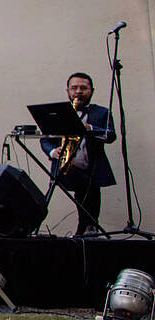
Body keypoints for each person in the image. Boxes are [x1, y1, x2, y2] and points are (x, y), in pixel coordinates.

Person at [41, 71, 116, 235]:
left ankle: (87, 229)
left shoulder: (102, 113)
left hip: (91, 165)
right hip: (65, 166)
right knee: (87, 189)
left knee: (89, 190)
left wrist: (91, 128)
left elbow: (111, 135)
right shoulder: (58, 112)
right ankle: (88, 228)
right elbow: (45, 139)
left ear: (92, 91)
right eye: (74, 88)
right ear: (67, 91)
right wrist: (54, 152)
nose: (78, 92)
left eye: (83, 88)